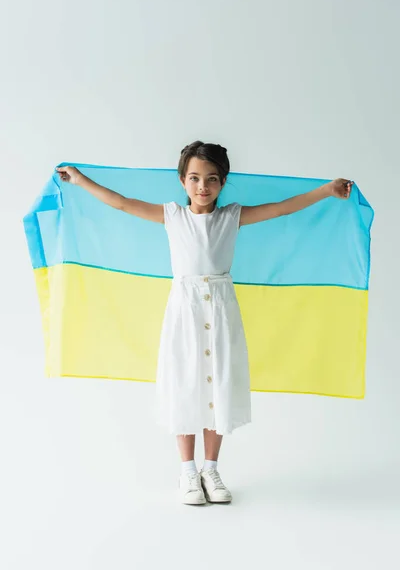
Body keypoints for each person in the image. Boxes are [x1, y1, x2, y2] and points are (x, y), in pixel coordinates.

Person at [56, 141, 353, 506]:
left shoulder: (231, 216)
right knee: (186, 382)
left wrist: (326, 190)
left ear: (223, 182)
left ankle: (210, 468)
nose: (202, 187)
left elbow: (280, 209)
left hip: (221, 308)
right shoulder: (172, 216)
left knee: (218, 384)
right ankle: (187, 472)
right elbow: (121, 202)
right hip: (186, 308)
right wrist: (81, 180)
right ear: (182, 181)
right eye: (195, 178)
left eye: (211, 179)